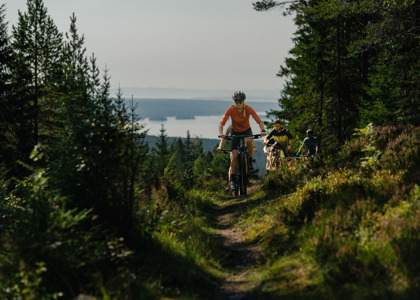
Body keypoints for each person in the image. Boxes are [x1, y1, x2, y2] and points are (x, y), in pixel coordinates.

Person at [219, 91, 266, 191]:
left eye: (240, 101)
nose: (238, 103)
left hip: (246, 131)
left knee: (249, 141)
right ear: (234, 101)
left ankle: (249, 162)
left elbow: (259, 121)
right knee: (234, 156)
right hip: (235, 133)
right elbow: (222, 122)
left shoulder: (248, 109)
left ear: (243, 101)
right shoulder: (231, 110)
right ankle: (233, 180)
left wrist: (262, 130)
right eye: (236, 101)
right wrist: (221, 132)